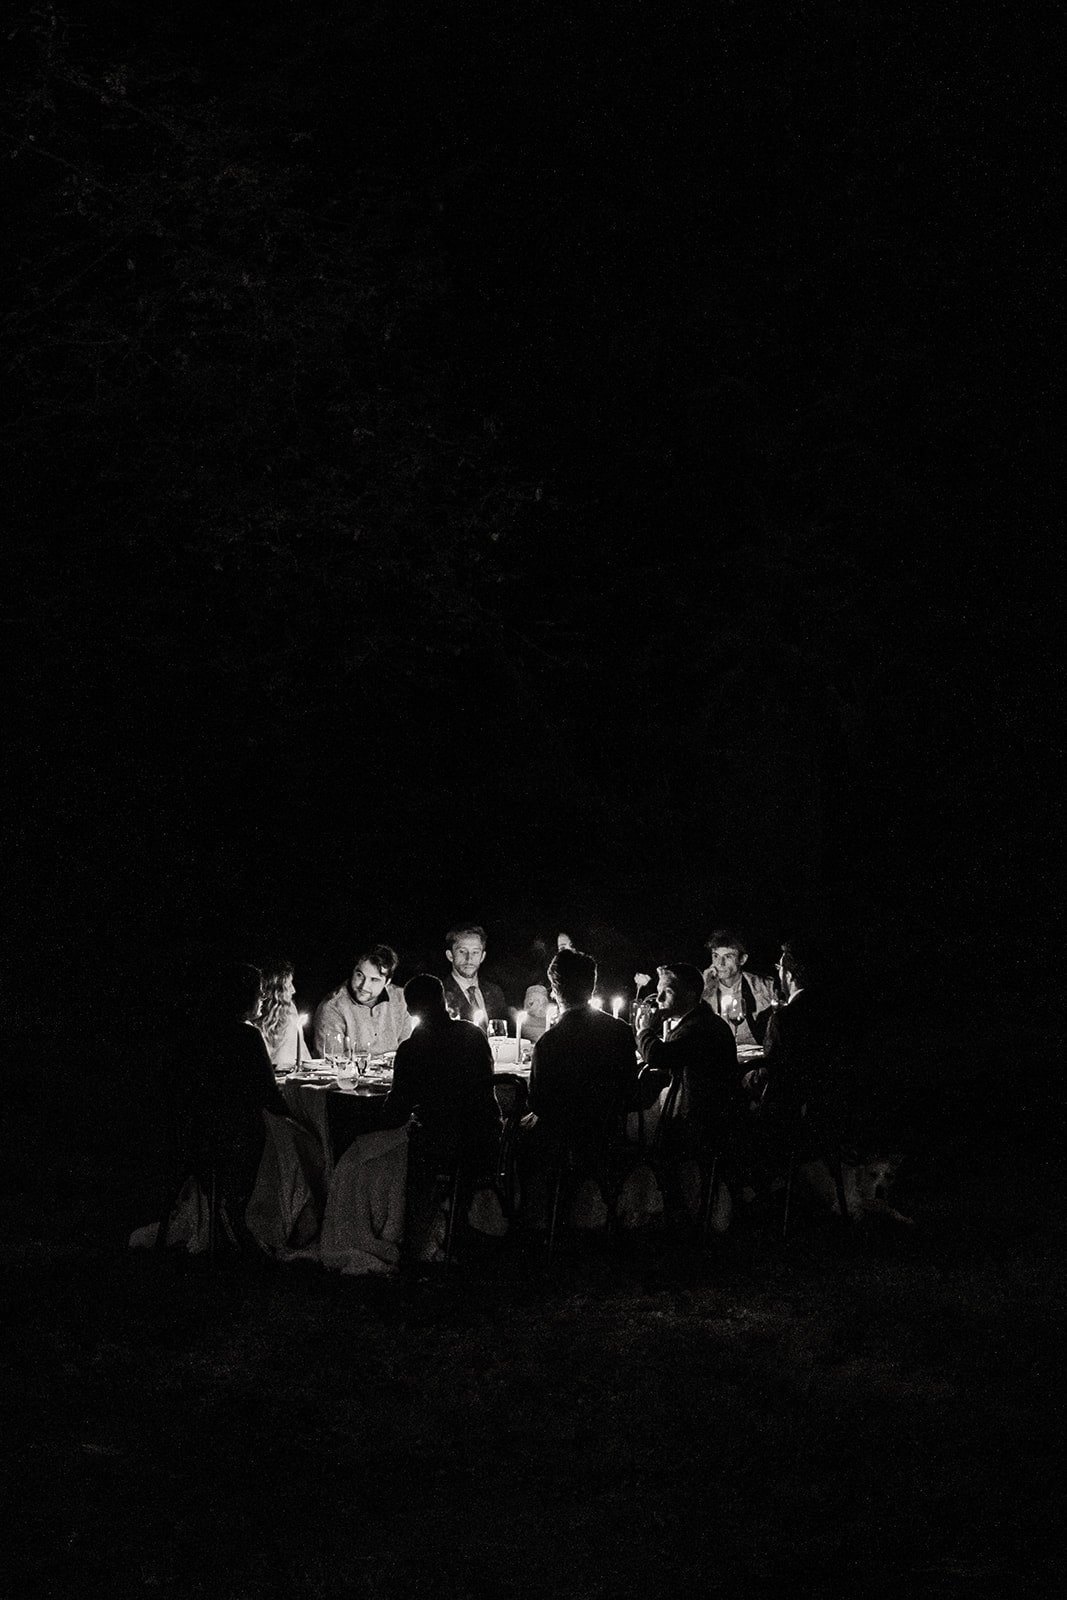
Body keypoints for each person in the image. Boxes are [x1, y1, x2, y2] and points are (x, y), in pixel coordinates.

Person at [380, 973, 502, 1259]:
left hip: (440, 1146)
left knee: (375, 1153)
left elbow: (396, 1113)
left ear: (410, 1010)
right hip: (484, 1138)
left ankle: (398, 1233)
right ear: (444, 1000)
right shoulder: (473, 1034)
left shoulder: (412, 1048)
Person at [526, 946, 639, 1156]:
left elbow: (539, 1103)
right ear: (592, 986)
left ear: (556, 990)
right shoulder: (620, 1030)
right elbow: (629, 1089)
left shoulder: (550, 1041)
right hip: (609, 1135)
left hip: (564, 1142)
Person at [313, 943, 413, 1057]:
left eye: (374, 980)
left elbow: (408, 1052)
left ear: (388, 981)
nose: (364, 986)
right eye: (360, 975)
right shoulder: (332, 1007)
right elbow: (332, 1062)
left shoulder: (401, 999)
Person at [701, 929, 777, 1049]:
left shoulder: (764, 986)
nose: (720, 963)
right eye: (716, 956)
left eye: (728, 956)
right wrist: (704, 990)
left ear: (742, 959)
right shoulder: (704, 987)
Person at [442, 924, 507, 1022]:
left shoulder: (495, 992)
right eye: (462, 951)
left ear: (482, 956)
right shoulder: (441, 995)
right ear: (450, 955)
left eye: (475, 952)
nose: (469, 958)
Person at [253, 958, 307, 1068]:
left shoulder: (289, 1012)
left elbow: (301, 1058)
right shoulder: (252, 1019)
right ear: (276, 991)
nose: (293, 990)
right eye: (289, 985)